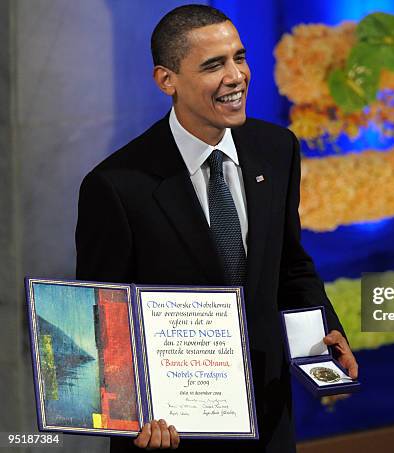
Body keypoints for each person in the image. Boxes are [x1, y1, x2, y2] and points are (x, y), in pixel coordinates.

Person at [75, 4, 358, 452]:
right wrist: (132, 414)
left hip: (268, 422)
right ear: (167, 80)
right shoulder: (115, 187)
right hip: (171, 435)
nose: (236, 76)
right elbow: (101, 323)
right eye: (214, 65)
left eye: (239, 58)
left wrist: (325, 330)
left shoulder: (277, 149)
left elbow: (289, 262)